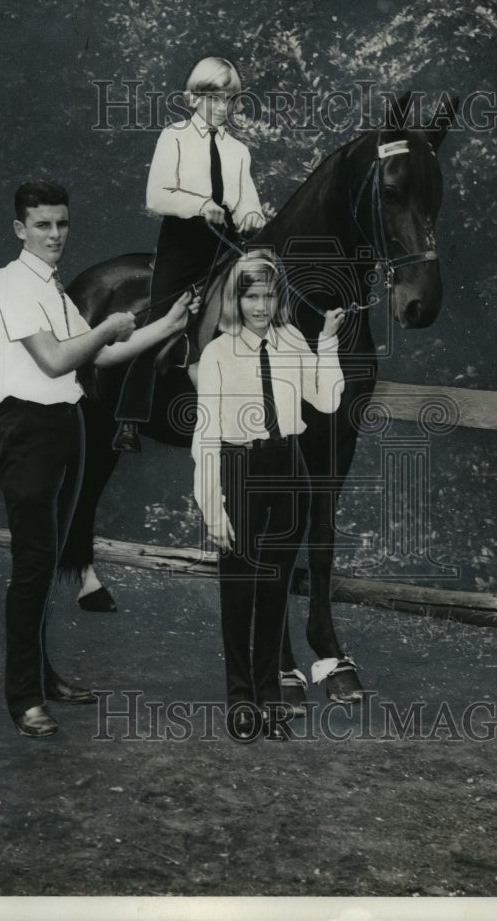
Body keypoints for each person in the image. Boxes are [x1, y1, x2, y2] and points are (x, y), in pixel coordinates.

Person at [0, 180, 198, 738]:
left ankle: (44, 677)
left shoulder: (52, 289)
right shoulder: (12, 286)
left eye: (62, 224)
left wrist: (165, 326)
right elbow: (54, 361)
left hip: (67, 425)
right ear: (20, 229)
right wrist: (105, 326)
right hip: (27, 431)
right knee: (31, 569)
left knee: (48, 562)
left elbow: (101, 357)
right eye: (43, 225)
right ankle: (24, 698)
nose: (55, 235)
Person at [191, 250, 345, 742]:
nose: (260, 306)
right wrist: (212, 508)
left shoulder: (292, 339)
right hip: (240, 467)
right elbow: (206, 436)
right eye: (251, 295)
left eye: (268, 294)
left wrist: (327, 343)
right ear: (237, 299)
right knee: (239, 588)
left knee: (276, 588)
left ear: (278, 296)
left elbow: (326, 398)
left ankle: (269, 698)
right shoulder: (217, 352)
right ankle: (241, 699)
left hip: (289, 467)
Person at [113, 56, 265, 453]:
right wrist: (200, 205)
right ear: (194, 98)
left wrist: (250, 215)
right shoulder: (174, 137)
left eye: (230, 99)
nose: (222, 108)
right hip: (185, 242)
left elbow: (249, 200)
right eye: (214, 98)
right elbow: (157, 194)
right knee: (160, 318)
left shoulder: (239, 151)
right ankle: (130, 416)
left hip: (225, 243)